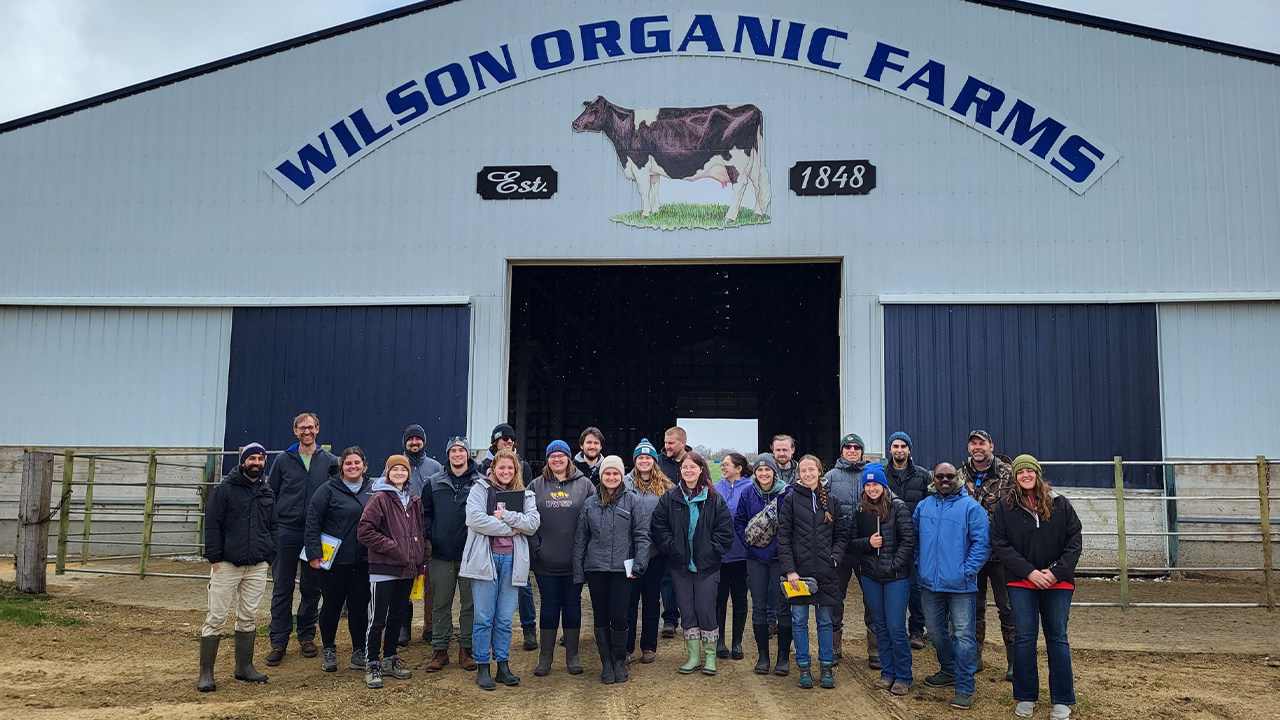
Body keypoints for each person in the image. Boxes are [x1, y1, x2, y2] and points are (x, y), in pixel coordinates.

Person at [993, 455, 1083, 720]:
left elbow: (1074, 542)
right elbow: (1000, 543)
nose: (1026, 475)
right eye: (1021, 472)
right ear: (1016, 477)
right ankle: (1026, 696)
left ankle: (1062, 699)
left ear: (1038, 474)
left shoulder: (1060, 505)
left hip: (1058, 584)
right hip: (1022, 582)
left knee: (1057, 638)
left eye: (1030, 471)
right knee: (1024, 638)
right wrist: (1030, 572)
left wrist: (1055, 573)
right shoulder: (1005, 507)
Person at [461, 449, 541, 690]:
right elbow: (475, 520)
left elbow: (532, 524)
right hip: (485, 561)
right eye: (501, 468)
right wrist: (510, 528)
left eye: (510, 468)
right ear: (493, 469)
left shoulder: (526, 495)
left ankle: (503, 666)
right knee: (484, 617)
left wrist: (505, 515)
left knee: (505, 618)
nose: (506, 472)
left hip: (513, 561)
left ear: (516, 471)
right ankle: (483, 666)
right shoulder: (480, 489)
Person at [198, 443, 273, 692]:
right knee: (216, 617)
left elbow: (273, 525)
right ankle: (206, 673)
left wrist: (269, 555)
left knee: (248, 616)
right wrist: (215, 558)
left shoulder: (266, 490)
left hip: (257, 566)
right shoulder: (225, 489)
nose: (256, 463)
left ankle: (244, 667)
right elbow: (212, 524)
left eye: (260, 459)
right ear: (242, 461)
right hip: (227, 565)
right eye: (252, 458)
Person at [651, 451, 734, 676]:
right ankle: (693, 656)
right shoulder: (671, 497)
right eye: (685, 467)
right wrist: (671, 548)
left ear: (701, 470)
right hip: (680, 565)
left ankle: (709, 656)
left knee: (706, 609)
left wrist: (712, 550)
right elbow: (658, 526)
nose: (688, 471)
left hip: (707, 566)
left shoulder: (714, 498)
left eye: (693, 467)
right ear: (681, 471)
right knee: (686, 609)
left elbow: (725, 531)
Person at [916, 462, 991, 710]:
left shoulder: (971, 508)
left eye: (950, 476)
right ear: (933, 479)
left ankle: (965, 685)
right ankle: (948, 669)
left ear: (957, 478)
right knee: (936, 632)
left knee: (963, 636)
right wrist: (920, 563)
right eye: (940, 476)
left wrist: (967, 571)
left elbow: (982, 544)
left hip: (961, 586)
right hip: (929, 584)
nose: (945, 480)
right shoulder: (924, 506)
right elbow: (914, 538)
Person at [265, 412, 337, 666]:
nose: (306, 432)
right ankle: (278, 640)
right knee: (282, 585)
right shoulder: (283, 461)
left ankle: (307, 636)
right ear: (295, 431)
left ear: (318, 429)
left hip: (315, 533)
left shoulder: (330, 461)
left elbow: (335, 496)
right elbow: (270, 493)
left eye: (310, 427)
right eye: (301, 428)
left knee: (311, 586)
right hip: (286, 530)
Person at [573, 455, 651, 684]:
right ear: (601, 475)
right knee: (600, 616)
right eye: (607, 473)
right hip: (596, 568)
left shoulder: (633, 501)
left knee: (619, 616)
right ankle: (606, 662)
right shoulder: (590, 503)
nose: (611, 477)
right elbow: (581, 539)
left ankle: (619, 661)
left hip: (621, 569)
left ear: (621, 475)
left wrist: (640, 563)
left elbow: (642, 536)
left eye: (615, 473)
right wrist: (579, 572)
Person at [356, 455, 426, 689]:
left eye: (403, 469)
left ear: (408, 473)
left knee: (397, 616)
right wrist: (392, 548)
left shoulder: (414, 500)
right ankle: (372, 663)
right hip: (384, 569)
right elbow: (365, 531)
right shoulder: (379, 498)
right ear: (387, 472)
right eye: (394, 469)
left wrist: (419, 562)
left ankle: (390, 659)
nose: (399, 472)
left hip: (407, 569)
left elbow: (420, 534)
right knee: (377, 619)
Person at [778, 455, 848, 690]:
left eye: (812, 470)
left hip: (827, 572)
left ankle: (826, 667)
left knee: (825, 621)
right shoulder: (790, 501)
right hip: (799, 574)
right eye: (803, 470)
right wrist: (790, 570)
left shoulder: (833, 501)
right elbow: (784, 539)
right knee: (799, 620)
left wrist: (835, 559)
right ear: (799, 474)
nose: (808, 474)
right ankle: (804, 667)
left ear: (820, 471)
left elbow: (841, 535)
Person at [304, 446, 374, 673]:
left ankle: (358, 651)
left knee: (359, 607)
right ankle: (328, 649)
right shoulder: (327, 490)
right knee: (331, 605)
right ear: (341, 467)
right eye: (348, 463)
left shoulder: (374, 489)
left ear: (364, 464)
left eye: (357, 463)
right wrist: (313, 554)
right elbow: (312, 521)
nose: (353, 467)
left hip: (363, 560)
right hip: (332, 562)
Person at [849, 464, 916, 696]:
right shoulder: (861, 510)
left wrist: (894, 564)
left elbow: (909, 541)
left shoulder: (898, 508)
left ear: (883, 485)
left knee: (896, 626)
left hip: (896, 577)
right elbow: (851, 543)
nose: (871, 488)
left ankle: (904, 675)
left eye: (875, 484)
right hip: (871, 576)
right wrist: (868, 543)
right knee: (880, 626)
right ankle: (887, 673)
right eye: (867, 485)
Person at [528, 439, 594, 676]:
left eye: (561, 455)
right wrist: (537, 549)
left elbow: (593, 520)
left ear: (569, 458)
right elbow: (527, 521)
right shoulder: (535, 486)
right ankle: (545, 658)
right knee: (548, 607)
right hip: (546, 561)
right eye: (552, 456)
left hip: (575, 562)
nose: (557, 459)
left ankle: (572, 657)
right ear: (547, 459)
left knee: (573, 606)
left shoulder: (585, 485)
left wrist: (585, 552)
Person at [956, 429, 1017, 680]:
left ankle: (1015, 661)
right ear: (969, 448)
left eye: (982, 443)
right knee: (973, 608)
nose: (977, 447)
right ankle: (975, 656)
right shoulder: (959, 475)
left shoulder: (1008, 474)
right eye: (973, 443)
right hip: (971, 556)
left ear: (991, 446)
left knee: (1008, 608)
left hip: (1003, 555)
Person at [423, 436, 484, 673]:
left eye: (461, 450)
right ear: (447, 454)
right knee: (440, 604)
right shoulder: (434, 481)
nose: (457, 454)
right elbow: (426, 512)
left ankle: (466, 650)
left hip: (470, 554)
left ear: (468, 454)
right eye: (453, 450)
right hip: (440, 554)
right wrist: (431, 535)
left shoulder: (480, 482)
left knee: (469, 604)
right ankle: (440, 651)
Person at [478, 423, 538, 651]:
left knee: (524, 586)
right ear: (495, 441)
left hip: (517, 540)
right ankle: (487, 637)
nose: (509, 442)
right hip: (491, 540)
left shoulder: (522, 465)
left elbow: (526, 498)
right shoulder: (482, 467)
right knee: (489, 593)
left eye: (512, 439)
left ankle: (529, 628)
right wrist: (505, 526)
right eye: (504, 439)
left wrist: (515, 523)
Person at [733, 453, 791, 676]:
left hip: (779, 558)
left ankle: (783, 658)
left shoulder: (787, 493)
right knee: (758, 607)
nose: (764, 473)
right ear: (754, 472)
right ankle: (763, 657)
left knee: (783, 607)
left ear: (774, 472)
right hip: (755, 558)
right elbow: (739, 520)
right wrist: (748, 542)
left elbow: (792, 524)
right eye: (759, 470)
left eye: (768, 470)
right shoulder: (748, 493)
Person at [822, 432, 871, 667]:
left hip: (868, 548)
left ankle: (875, 648)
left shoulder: (872, 475)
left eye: (856, 447)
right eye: (848, 447)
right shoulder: (830, 477)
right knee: (835, 597)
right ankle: (833, 647)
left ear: (862, 451)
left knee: (871, 598)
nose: (852, 450)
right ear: (842, 451)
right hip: (839, 549)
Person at [624, 438, 674, 664]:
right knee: (629, 599)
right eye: (640, 457)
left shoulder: (666, 486)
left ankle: (648, 646)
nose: (644, 461)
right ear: (635, 461)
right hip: (630, 551)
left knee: (652, 599)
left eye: (648, 458)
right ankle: (626, 646)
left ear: (655, 461)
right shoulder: (624, 483)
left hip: (655, 551)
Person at [883, 431, 932, 649]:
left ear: (909, 449)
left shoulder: (922, 476)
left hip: (914, 540)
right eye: (895, 446)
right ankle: (894, 630)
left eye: (903, 446)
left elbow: (930, 507)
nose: (899, 450)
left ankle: (916, 631)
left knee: (915, 587)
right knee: (892, 586)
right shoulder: (882, 474)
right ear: (890, 449)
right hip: (888, 539)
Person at [401, 424, 442, 648]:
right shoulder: (398, 465)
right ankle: (403, 627)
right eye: (410, 439)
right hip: (403, 536)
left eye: (418, 439)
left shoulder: (435, 468)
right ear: (405, 442)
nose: (414, 443)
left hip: (427, 535)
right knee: (404, 581)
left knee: (431, 584)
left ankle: (430, 627)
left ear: (424, 441)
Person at [713, 452, 751, 660]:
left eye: (726, 464)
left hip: (742, 554)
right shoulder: (715, 488)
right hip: (719, 554)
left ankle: (737, 642)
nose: (723, 468)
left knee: (740, 598)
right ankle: (720, 641)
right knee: (719, 598)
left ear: (739, 468)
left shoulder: (750, 488)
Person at [657, 426, 692, 637]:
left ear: (682, 442)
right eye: (665, 442)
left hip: (690, 526)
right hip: (667, 526)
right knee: (667, 577)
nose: (666, 446)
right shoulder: (658, 464)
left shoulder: (695, 461)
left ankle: (690, 618)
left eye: (671, 443)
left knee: (689, 575)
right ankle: (670, 619)